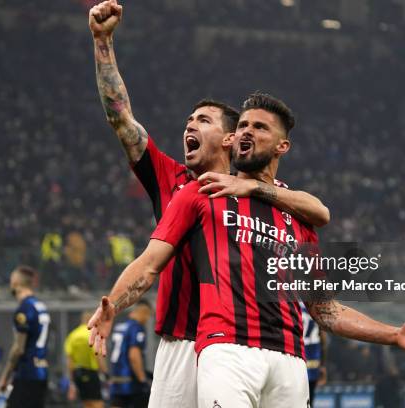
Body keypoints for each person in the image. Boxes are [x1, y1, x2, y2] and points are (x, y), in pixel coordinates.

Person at [89, 93, 405, 407]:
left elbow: (325, 309)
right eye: (242, 125)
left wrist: (393, 334)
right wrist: (114, 303)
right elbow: (151, 263)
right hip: (226, 349)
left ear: (281, 146)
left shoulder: (297, 215)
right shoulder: (201, 192)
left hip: (290, 358)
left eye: (259, 127)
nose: (247, 132)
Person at [88, 2, 330, 407]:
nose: (189, 125)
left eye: (202, 120)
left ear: (231, 139)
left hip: (246, 346)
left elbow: (319, 214)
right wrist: (102, 43)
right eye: (188, 120)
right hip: (183, 345)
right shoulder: (174, 180)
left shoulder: (261, 197)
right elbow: (121, 119)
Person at [0, 266, 50, 408]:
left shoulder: (24, 309)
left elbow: (18, 348)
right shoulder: (40, 306)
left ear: (16, 283)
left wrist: (3, 379)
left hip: (27, 374)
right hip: (42, 372)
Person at [109, 300, 152, 408]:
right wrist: (142, 380)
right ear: (144, 312)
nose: (147, 319)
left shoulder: (119, 326)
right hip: (131, 383)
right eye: (149, 315)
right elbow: (133, 356)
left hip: (116, 380)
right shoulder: (136, 328)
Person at [65, 311, 107, 408]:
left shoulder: (73, 335)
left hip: (78, 374)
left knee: (86, 403)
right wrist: (105, 372)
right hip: (91, 373)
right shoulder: (92, 334)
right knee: (97, 403)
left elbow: (69, 359)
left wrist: (72, 379)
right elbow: (97, 355)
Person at [301, 302, 327, 403]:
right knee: (309, 401)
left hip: (294, 357)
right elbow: (323, 339)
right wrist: (323, 365)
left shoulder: (290, 302)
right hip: (313, 361)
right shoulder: (315, 304)